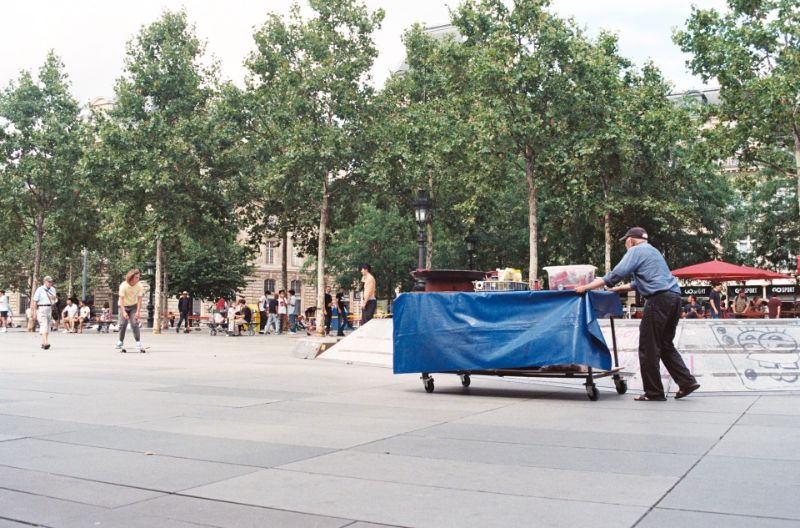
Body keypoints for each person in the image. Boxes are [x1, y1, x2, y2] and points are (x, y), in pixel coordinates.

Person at [574, 227, 700, 401]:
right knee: (665, 344)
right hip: (675, 298)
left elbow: (615, 274)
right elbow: (636, 284)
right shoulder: (653, 252)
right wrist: (615, 290)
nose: (626, 244)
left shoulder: (635, 251)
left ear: (631, 240)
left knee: (648, 347)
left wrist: (585, 287)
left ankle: (654, 392)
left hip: (658, 300)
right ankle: (687, 382)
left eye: (626, 241)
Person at [116, 269, 144, 351]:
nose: (138, 279)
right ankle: (120, 342)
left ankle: (138, 342)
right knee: (122, 324)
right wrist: (124, 311)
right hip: (123, 306)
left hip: (133, 306)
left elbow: (139, 299)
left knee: (135, 323)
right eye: (136, 277)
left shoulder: (139, 285)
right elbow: (121, 299)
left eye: (138, 277)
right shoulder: (123, 285)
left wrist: (138, 311)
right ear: (131, 277)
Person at [31, 276, 57, 349]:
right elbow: (35, 301)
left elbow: (55, 300)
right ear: (45, 282)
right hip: (41, 308)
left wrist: (54, 298)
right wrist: (34, 312)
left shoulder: (53, 289)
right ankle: (46, 342)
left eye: (51, 281)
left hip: (50, 308)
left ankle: (43, 342)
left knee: (48, 325)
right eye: (49, 282)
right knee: (44, 324)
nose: (50, 283)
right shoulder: (40, 289)